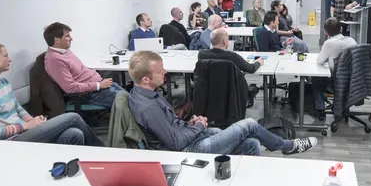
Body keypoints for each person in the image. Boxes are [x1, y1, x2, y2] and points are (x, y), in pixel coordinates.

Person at [127, 51, 317, 155]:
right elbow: (176, 144)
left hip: (186, 137)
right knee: (248, 125)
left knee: (251, 143)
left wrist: (191, 123)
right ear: (145, 79)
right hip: (186, 150)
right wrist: (199, 126)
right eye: (160, 71)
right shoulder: (148, 107)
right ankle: (287, 146)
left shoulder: (146, 93)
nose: (165, 72)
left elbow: (171, 126)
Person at [0, 42, 103, 146]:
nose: (9, 59)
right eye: (5, 56)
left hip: (24, 132)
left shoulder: (3, 83)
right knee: (73, 118)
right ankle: (103, 153)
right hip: (10, 142)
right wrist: (24, 126)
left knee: (74, 134)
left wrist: (32, 121)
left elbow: (17, 109)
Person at [43, 22, 124, 108]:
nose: (71, 39)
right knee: (129, 103)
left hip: (99, 84)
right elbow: (70, 88)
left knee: (133, 98)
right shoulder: (55, 60)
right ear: (57, 40)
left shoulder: (64, 51)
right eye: (67, 36)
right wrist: (98, 85)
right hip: (89, 94)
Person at [311, 17, 357, 118]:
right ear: (341, 29)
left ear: (326, 32)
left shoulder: (329, 43)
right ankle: (343, 107)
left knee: (315, 78)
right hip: (354, 81)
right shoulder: (352, 41)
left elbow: (319, 61)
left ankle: (320, 109)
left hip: (335, 82)